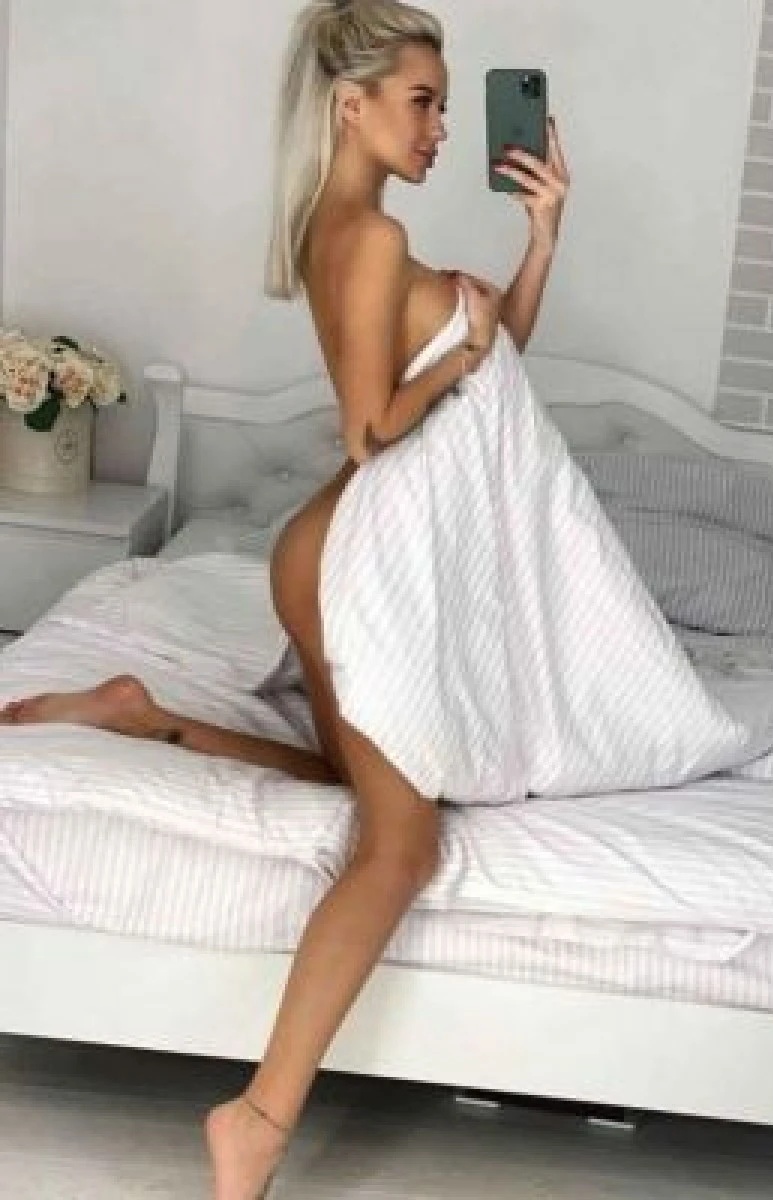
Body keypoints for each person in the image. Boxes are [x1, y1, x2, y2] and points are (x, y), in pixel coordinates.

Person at [0, 3, 570, 1196]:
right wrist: (463, 354)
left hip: (346, 549)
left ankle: (144, 715)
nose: (439, 126)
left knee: (360, 783)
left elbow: (492, 376)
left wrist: (540, 242)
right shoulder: (370, 235)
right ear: (351, 105)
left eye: (444, 104)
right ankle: (257, 1117)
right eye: (422, 101)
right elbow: (371, 431)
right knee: (401, 846)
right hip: (355, 552)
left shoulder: (345, 224)